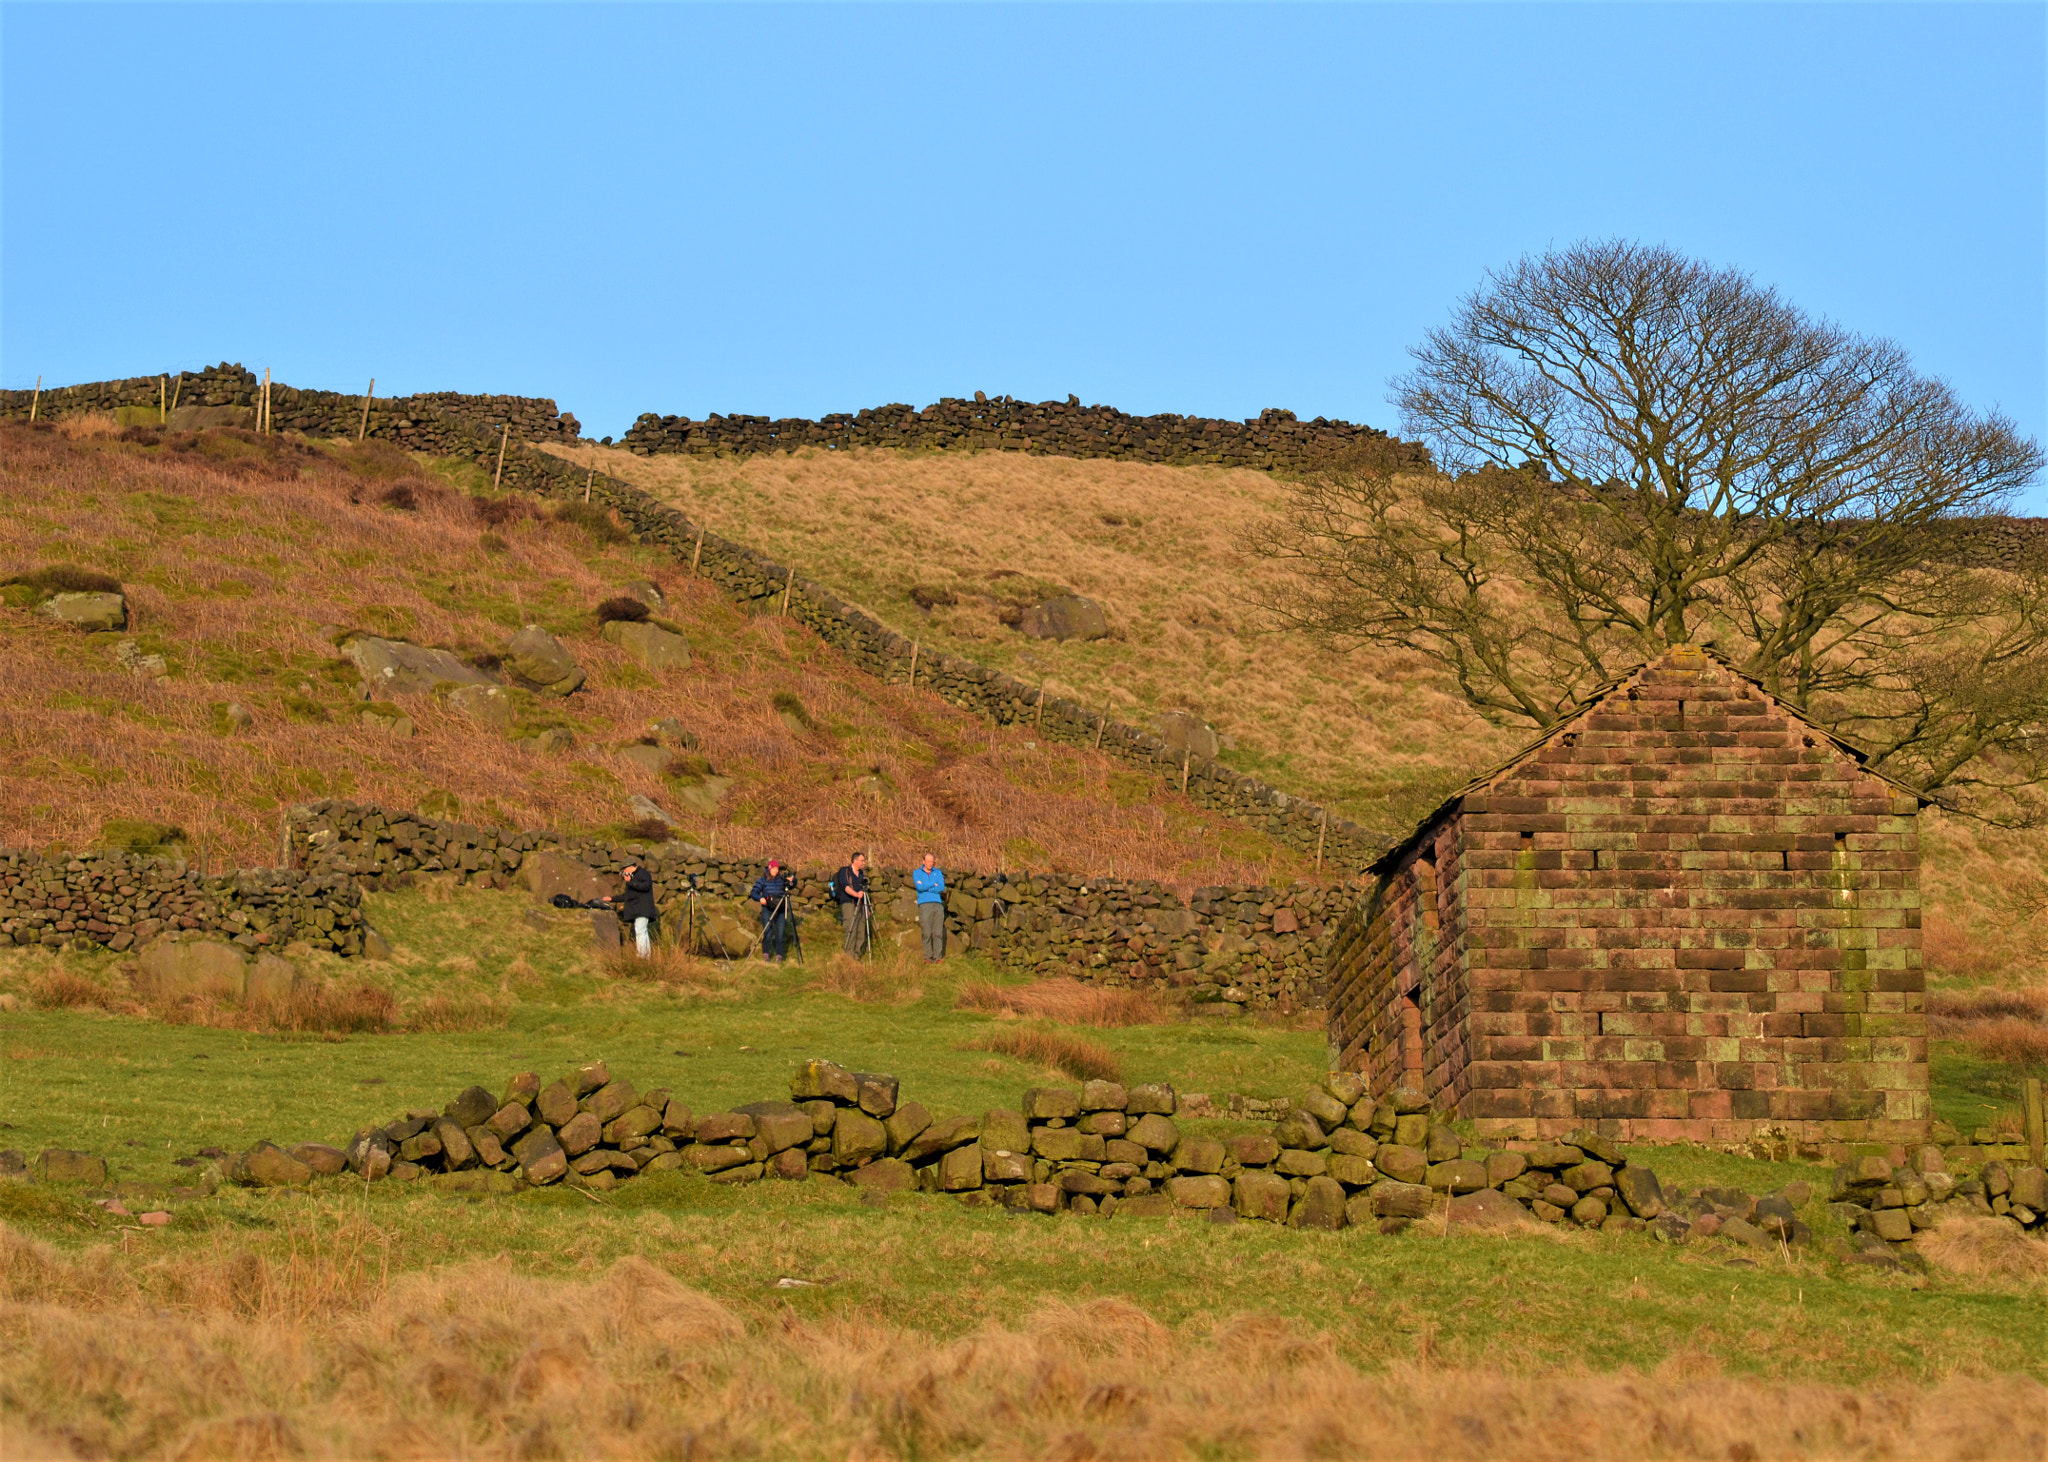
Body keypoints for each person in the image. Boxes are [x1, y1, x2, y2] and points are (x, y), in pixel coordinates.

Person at [750, 859, 794, 962]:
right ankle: (766, 954)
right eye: (773, 869)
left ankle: (779, 955)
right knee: (768, 932)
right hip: (767, 909)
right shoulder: (763, 880)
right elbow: (754, 892)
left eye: (777, 869)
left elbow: (792, 884)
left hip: (781, 909)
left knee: (780, 932)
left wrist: (792, 880)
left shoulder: (782, 880)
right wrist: (760, 898)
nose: (775, 871)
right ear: (769, 869)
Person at [613, 862, 658, 958]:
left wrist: (630, 882)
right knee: (642, 931)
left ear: (629, 867)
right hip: (639, 910)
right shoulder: (635, 876)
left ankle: (642, 956)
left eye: (624, 870)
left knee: (640, 931)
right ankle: (646, 956)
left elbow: (645, 886)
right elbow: (628, 896)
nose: (624, 873)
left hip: (643, 909)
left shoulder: (643, 874)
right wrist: (612, 899)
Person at [830, 851, 870, 957]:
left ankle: (857, 955)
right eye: (862, 861)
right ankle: (849, 956)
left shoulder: (861, 874)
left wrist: (867, 908)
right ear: (855, 861)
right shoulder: (845, 871)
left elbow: (864, 890)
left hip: (861, 904)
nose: (864, 863)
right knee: (850, 929)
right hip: (849, 903)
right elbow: (846, 886)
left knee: (861, 930)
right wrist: (856, 895)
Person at [912, 852, 946, 962]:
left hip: (937, 904)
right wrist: (933, 885)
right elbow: (919, 887)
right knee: (926, 932)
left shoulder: (938, 872)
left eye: (932, 861)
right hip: (924, 904)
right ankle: (927, 957)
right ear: (923, 861)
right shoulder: (917, 873)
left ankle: (938, 957)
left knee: (938, 932)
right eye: (928, 861)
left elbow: (941, 887)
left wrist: (927, 886)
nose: (930, 863)